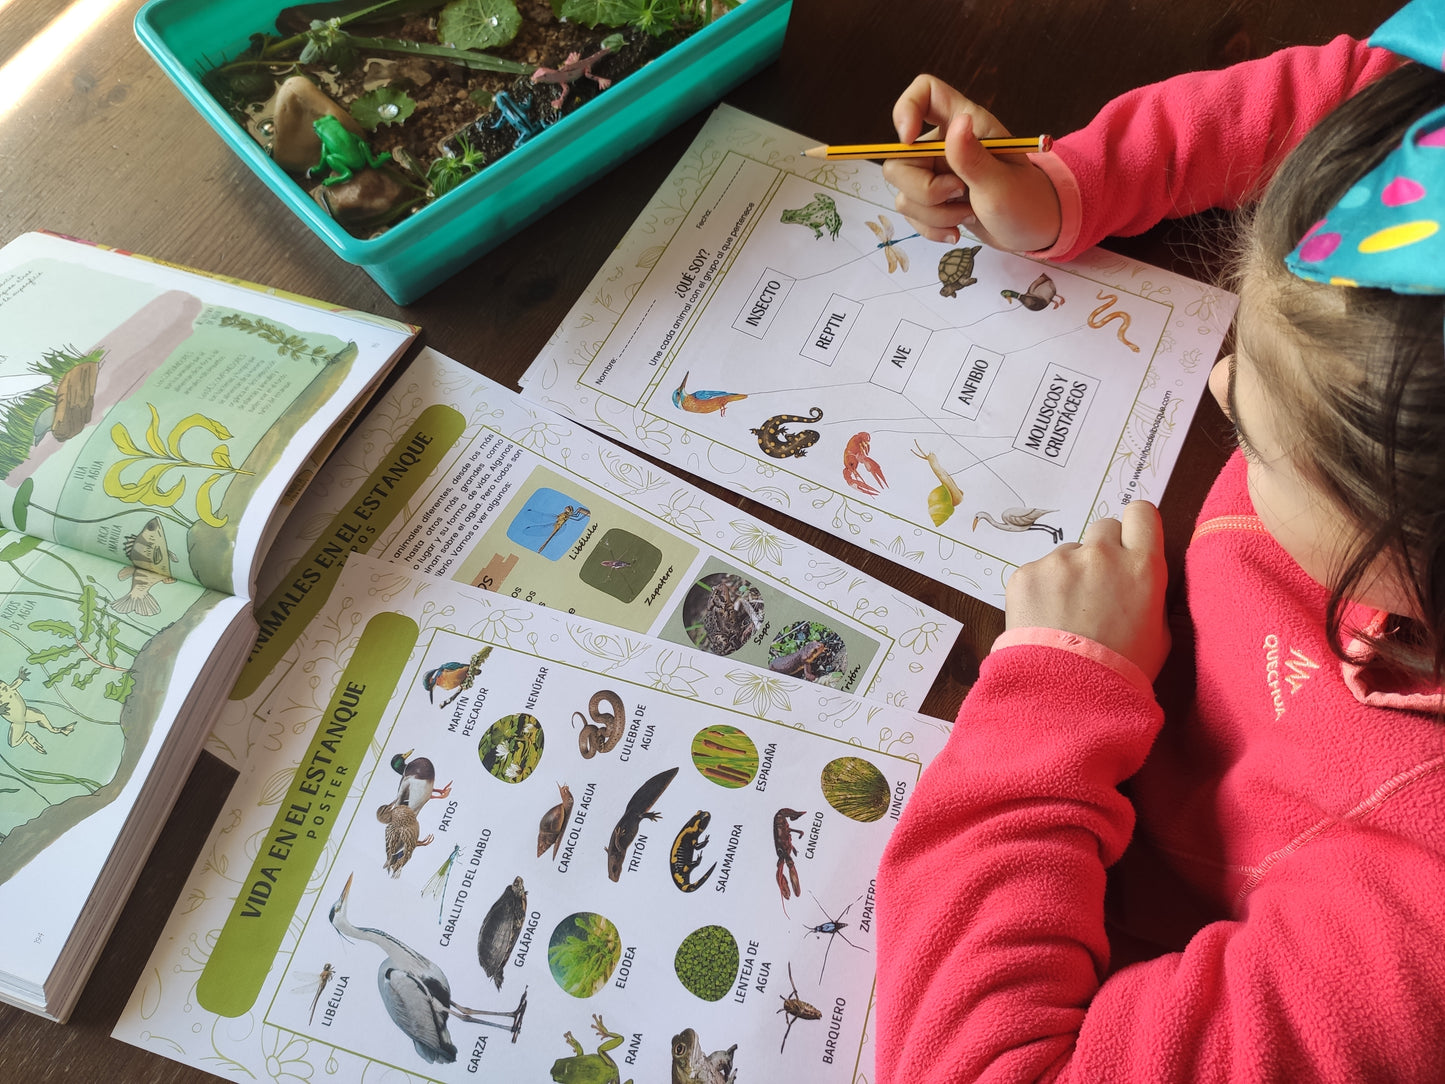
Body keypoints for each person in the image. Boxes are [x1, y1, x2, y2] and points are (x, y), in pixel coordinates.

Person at [874, 3, 1445, 1080]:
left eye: (1265, 434)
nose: (1219, 382)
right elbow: (1356, 96)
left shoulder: (1414, 929)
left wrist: (1053, 695)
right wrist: (1069, 183)